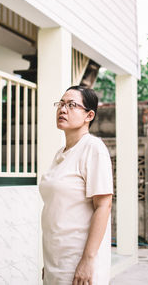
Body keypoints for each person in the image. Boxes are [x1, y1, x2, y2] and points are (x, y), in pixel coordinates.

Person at [39, 85, 113, 285]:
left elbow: (103, 206)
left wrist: (87, 261)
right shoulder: (61, 153)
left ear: (89, 115)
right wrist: (50, 262)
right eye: (61, 104)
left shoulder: (93, 148)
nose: (63, 109)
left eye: (72, 105)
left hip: (79, 261)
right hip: (57, 259)